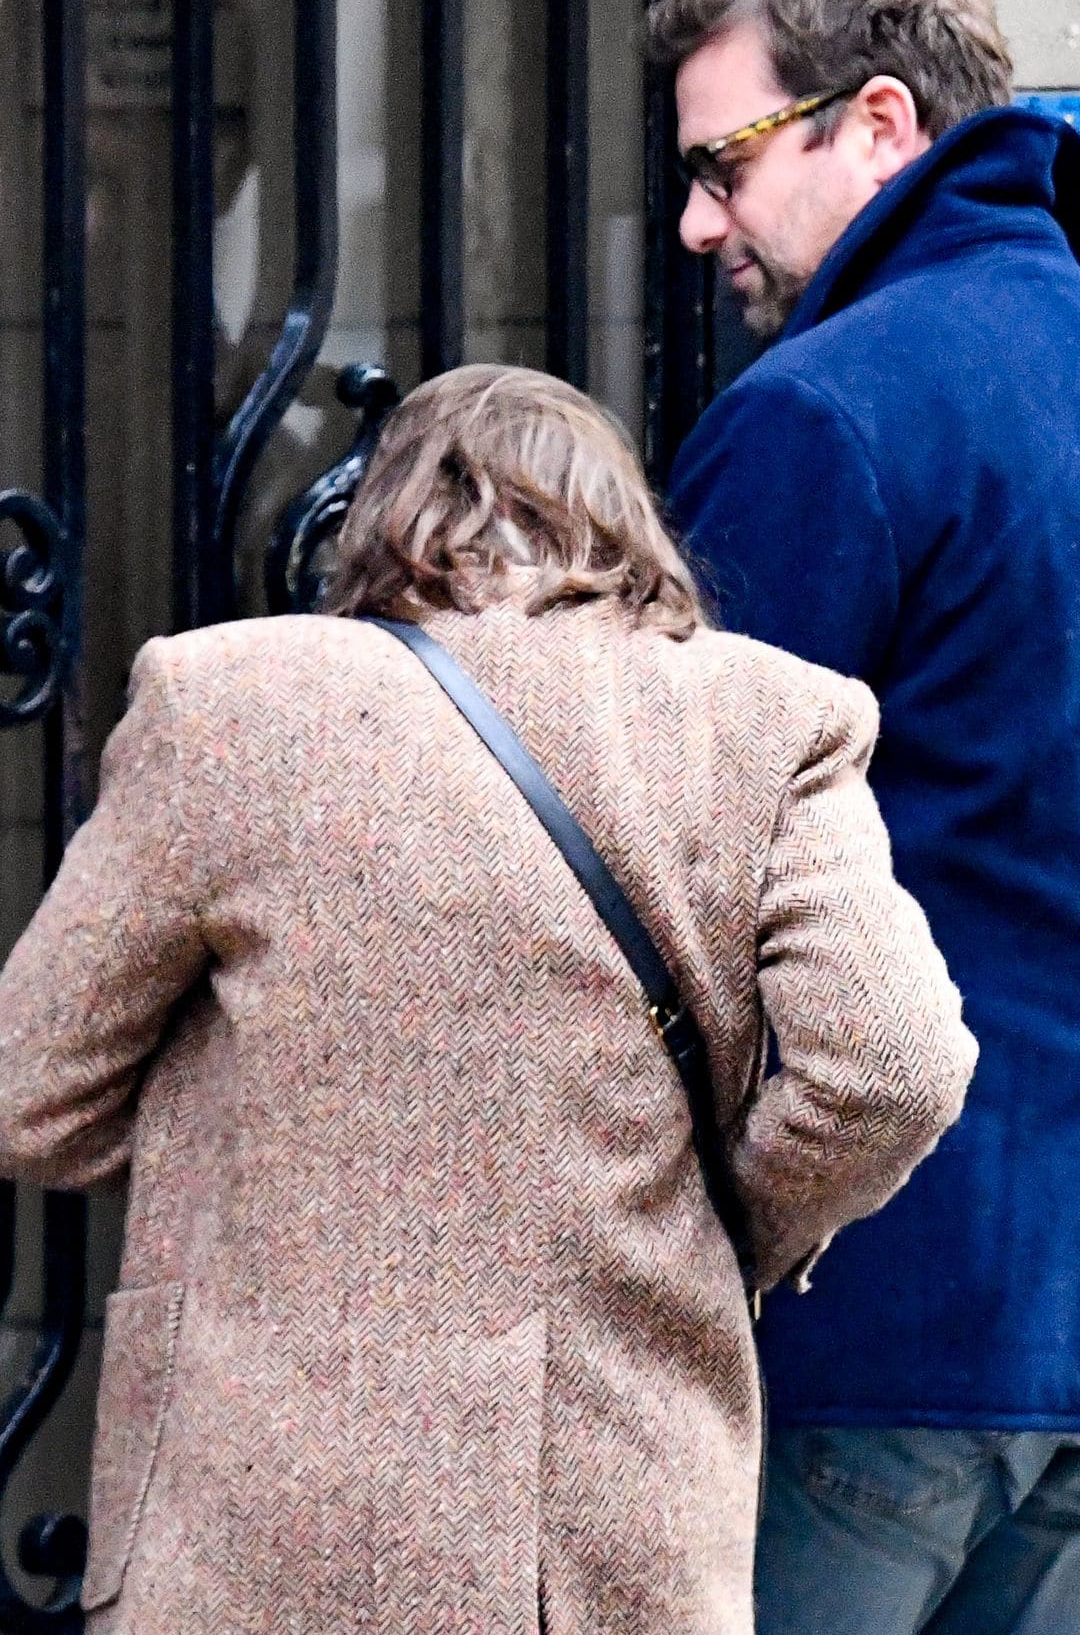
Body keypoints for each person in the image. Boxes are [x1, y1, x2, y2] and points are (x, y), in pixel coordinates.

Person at [0, 364, 973, 1633]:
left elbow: (32, 1088)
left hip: (262, 1516)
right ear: (624, 520)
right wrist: (719, 1217)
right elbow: (891, 1069)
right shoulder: (766, 719)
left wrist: (286, 1158)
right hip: (606, 1524)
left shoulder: (234, 703)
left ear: (383, 516)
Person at [648, 0, 1080, 1634]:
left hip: (876, 1324)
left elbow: (684, 872)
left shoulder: (825, 411)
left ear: (881, 122)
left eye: (723, 165)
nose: (697, 224)